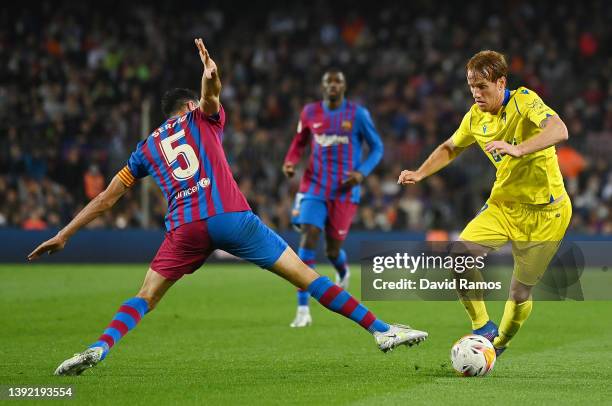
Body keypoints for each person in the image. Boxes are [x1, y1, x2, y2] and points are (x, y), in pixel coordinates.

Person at [28, 39, 427, 376]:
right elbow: (211, 94)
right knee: (306, 276)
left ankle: (99, 348)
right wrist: (210, 73)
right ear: (187, 109)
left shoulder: (145, 148)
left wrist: (64, 234)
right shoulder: (201, 118)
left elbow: (107, 197)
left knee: (145, 296)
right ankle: (381, 329)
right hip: (230, 217)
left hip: (184, 227)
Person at [398, 50, 571, 357]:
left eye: (483, 87)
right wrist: (420, 173)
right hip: (504, 205)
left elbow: (559, 130)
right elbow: (451, 147)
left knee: (519, 294)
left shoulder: (524, 101)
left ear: (501, 82)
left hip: (548, 213)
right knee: (460, 254)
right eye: (472, 87)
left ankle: (500, 342)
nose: (476, 94)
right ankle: (483, 328)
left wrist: (519, 150)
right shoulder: (474, 118)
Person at [283, 69, 383, 327]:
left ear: (344, 85)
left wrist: (361, 173)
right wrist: (291, 161)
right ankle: (303, 309)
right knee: (308, 235)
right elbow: (299, 142)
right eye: (328, 82)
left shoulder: (358, 115)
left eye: (338, 81)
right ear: (323, 86)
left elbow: (377, 147)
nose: (333, 86)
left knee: (332, 249)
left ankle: (342, 269)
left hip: (344, 191)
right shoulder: (309, 112)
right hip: (314, 187)